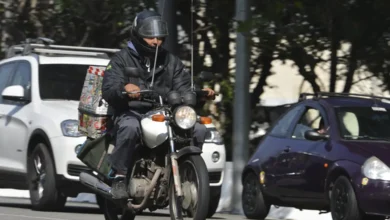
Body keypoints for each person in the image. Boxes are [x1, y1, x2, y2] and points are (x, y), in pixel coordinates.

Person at [101, 10, 216, 199]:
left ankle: (188, 171)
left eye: (159, 37)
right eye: (150, 37)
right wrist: (124, 88)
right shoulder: (121, 59)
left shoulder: (171, 61)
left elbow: (183, 87)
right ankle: (120, 177)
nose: (156, 41)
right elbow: (109, 89)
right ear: (138, 34)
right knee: (130, 128)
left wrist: (199, 95)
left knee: (198, 130)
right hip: (131, 111)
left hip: (166, 112)